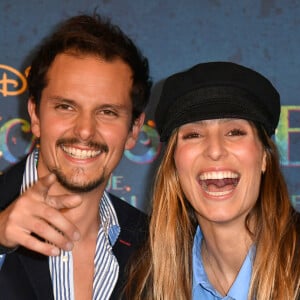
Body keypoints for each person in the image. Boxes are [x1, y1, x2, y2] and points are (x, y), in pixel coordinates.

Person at [0, 13, 152, 300]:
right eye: (66, 107)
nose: (84, 131)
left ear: (133, 130)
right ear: (35, 115)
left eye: (107, 112)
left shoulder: (154, 245)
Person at [124, 61, 300, 299]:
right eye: (194, 135)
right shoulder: (146, 283)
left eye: (234, 132)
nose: (215, 150)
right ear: (175, 164)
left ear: (264, 158)